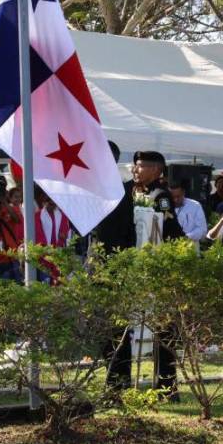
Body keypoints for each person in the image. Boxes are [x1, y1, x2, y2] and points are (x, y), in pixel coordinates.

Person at [130, 150, 185, 401]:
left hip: (161, 268)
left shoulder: (160, 195)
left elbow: (167, 225)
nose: (135, 170)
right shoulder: (141, 193)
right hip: (145, 268)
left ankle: (167, 385)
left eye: (140, 166)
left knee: (164, 331)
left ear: (155, 170)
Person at [91, 140, 136, 392]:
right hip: (100, 263)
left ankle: (119, 381)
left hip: (113, 265)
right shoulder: (100, 186)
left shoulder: (119, 189)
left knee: (116, 326)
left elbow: (126, 233)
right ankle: (114, 379)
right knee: (104, 328)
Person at [34, 191, 71, 284]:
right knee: (45, 286)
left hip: (58, 256)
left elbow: (64, 233)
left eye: (54, 202)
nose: (52, 204)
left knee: (58, 285)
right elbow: (39, 236)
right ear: (44, 202)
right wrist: (48, 250)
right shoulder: (38, 216)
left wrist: (57, 248)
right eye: (49, 201)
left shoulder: (62, 215)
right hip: (44, 257)